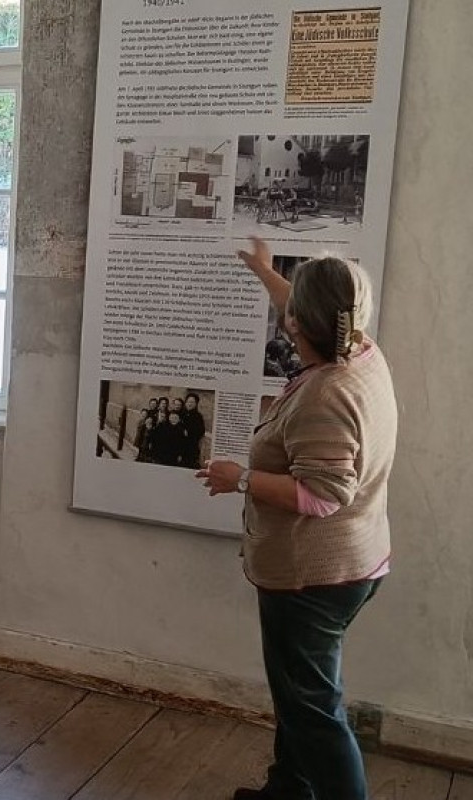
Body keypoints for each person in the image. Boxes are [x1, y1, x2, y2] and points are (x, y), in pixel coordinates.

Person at [199, 237, 397, 800]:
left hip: (314, 578)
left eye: (291, 314)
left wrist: (236, 477)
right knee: (298, 693)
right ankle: (289, 789)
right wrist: (267, 273)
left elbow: (323, 495)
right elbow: (309, 306)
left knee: (313, 709)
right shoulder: (359, 350)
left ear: (295, 327)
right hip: (353, 562)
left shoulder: (326, 396)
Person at [181, 393, 207, 470]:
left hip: (191, 447)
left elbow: (201, 431)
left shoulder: (198, 416)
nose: (190, 404)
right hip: (179, 445)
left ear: (196, 404)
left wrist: (189, 432)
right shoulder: (182, 414)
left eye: (192, 402)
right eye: (188, 402)